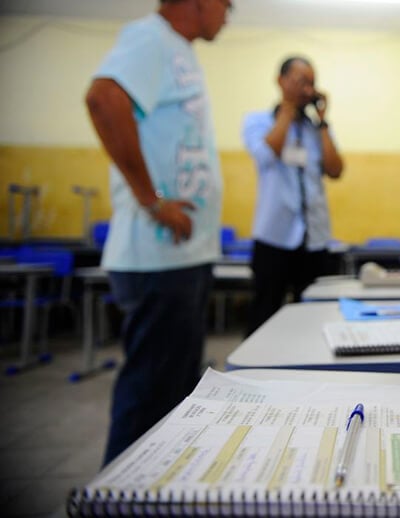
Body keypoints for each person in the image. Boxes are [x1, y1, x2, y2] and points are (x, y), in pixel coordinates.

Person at [84, 0, 231, 465]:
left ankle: (158, 491)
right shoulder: (151, 37)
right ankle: (119, 498)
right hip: (157, 257)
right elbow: (103, 98)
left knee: (173, 399)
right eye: (227, 3)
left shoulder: (179, 50)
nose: (228, 13)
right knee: (149, 396)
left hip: (181, 257)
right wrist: (152, 200)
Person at [242, 56, 344, 336]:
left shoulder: (316, 130)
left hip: (314, 238)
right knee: (264, 314)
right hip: (274, 236)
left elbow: (335, 170)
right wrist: (286, 110)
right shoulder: (258, 121)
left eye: (311, 83)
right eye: (300, 81)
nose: (307, 90)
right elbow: (266, 153)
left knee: (313, 318)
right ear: (281, 81)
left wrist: (322, 122)